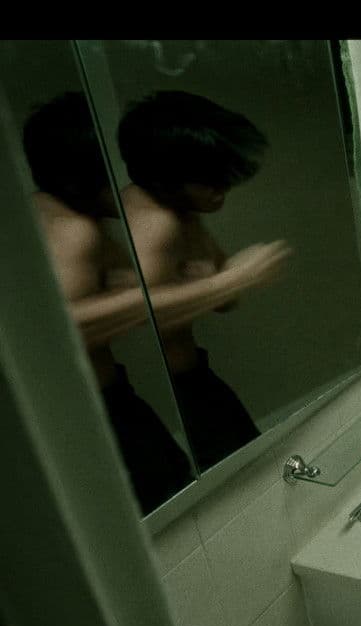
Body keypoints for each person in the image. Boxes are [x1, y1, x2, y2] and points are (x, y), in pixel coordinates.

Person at [21, 91, 194, 514]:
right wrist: (230, 279)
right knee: (174, 497)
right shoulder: (72, 230)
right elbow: (65, 327)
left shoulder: (45, 214)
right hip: (95, 410)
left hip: (86, 408)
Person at [115, 90, 292, 470]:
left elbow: (224, 300)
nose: (221, 188)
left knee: (253, 464)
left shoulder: (182, 208)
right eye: (209, 179)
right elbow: (142, 320)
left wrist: (222, 281)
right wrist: (235, 278)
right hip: (172, 392)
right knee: (248, 475)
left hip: (194, 376)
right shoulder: (154, 223)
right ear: (167, 177)